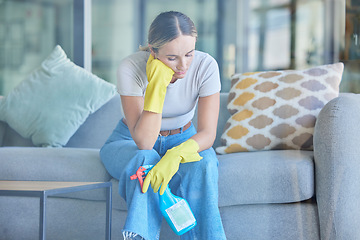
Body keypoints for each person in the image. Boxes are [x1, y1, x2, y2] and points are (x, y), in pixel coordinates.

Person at [100, 11, 226, 240]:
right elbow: (144, 142)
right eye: (171, 58)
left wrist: (176, 155)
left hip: (183, 137)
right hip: (129, 141)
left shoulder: (206, 66)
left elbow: (207, 133)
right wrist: (157, 83)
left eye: (189, 54)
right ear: (153, 51)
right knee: (145, 162)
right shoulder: (130, 68)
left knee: (206, 163)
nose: (183, 66)